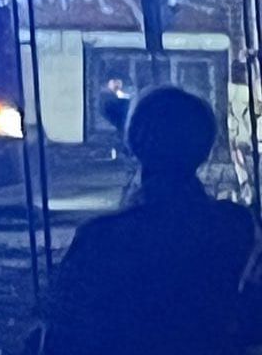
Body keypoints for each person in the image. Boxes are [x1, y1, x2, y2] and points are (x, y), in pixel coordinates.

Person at [36, 86, 259, 354]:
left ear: (135, 143)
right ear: (205, 148)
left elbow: (60, 338)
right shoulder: (235, 225)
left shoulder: (102, 237)